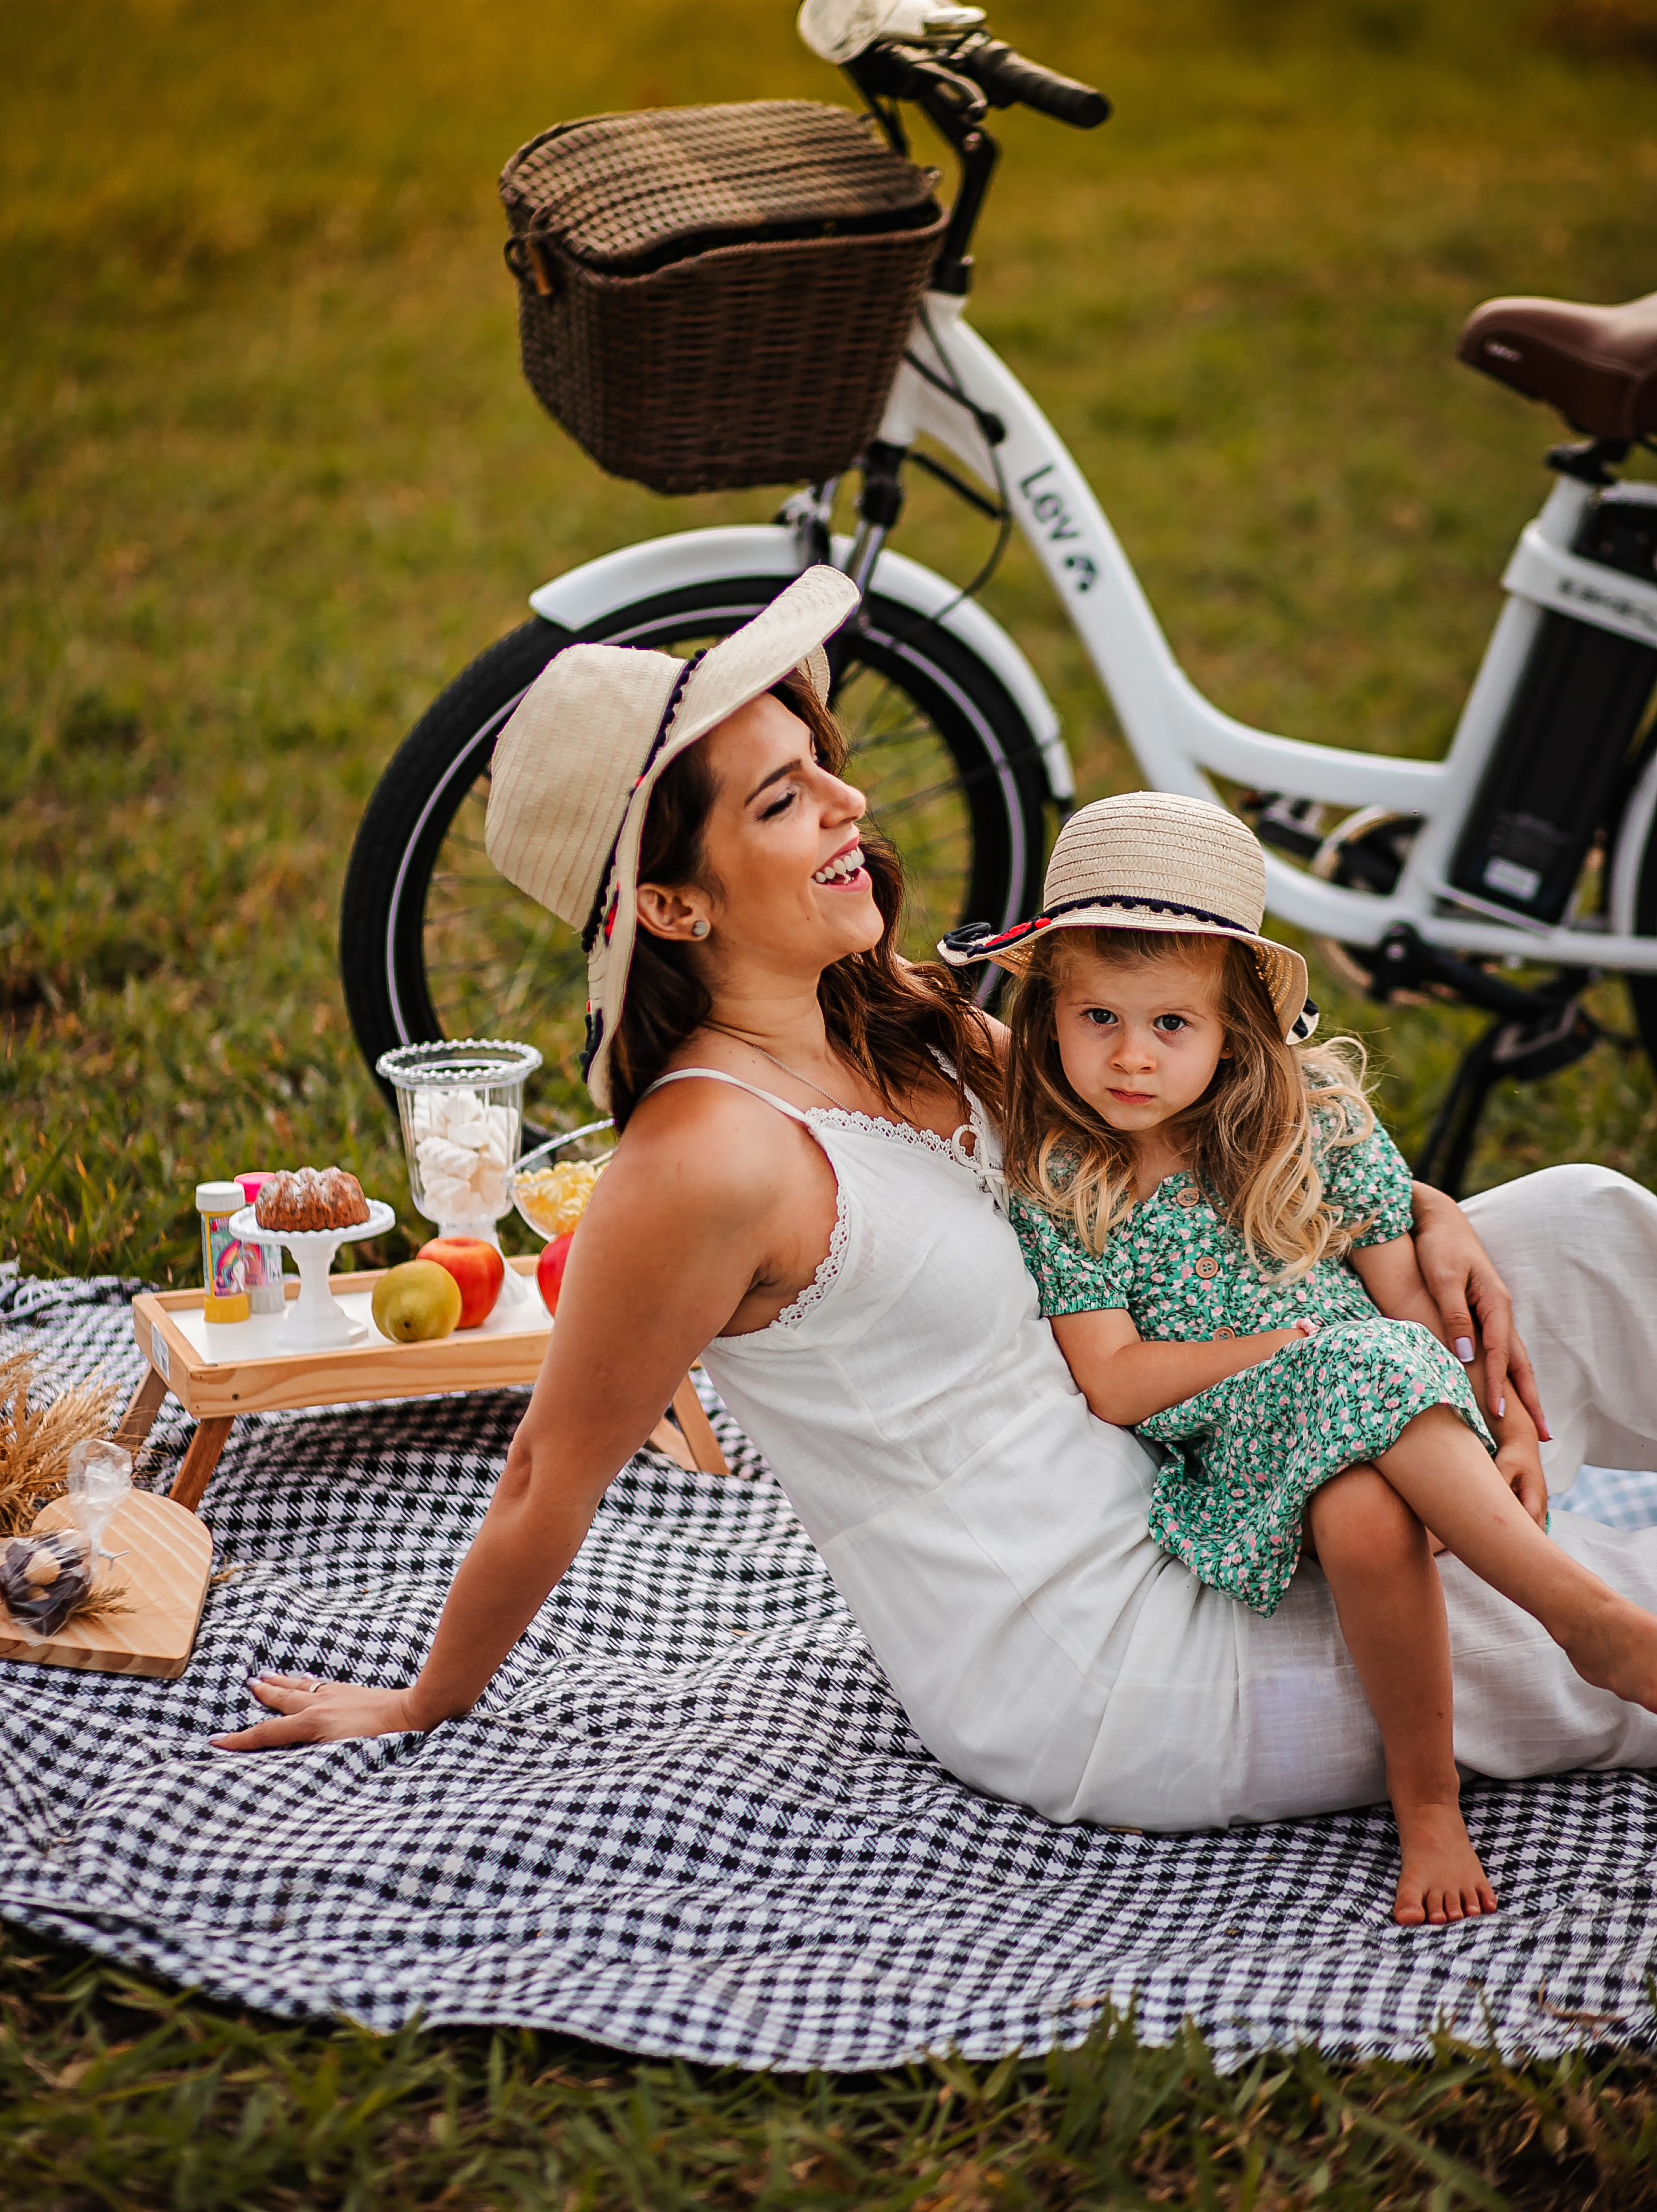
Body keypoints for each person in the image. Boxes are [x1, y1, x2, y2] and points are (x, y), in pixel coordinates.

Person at [212, 575, 1657, 1902]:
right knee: (1621, 1612)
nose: (849, 804)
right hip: (1109, 1656)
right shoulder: (704, 1160)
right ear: (670, 903)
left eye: (823, 760)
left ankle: (1529, 1526)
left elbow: (1185, 1128)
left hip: (1216, 1463)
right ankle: (1572, 1606)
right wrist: (423, 1701)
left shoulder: (898, 1020)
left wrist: (1419, 1209)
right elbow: (547, 1473)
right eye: (783, 800)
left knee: (1583, 1222)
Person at [983, 792, 1657, 1926]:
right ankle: (1585, 1620)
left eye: (1170, 1026)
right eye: (1097, 1017)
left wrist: (1514, 1430)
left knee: (1361, 1506)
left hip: (1386, 1412)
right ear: (1047, 1009)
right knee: (1349, 1385)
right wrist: (1289, 1345)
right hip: (1235, 1458)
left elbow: (1412, 1309)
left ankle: (1427, 1803)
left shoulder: (1318, 1120)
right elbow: (1115, 1379)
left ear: (1235, 1024)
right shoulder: (1064, 1178)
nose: (1131, 1058)